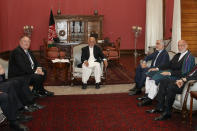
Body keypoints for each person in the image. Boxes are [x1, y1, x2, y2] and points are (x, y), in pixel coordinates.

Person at [137, 40, 195, 106]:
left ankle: (149, 99)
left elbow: (184, 72)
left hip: (176, 76)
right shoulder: (177, 55)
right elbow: (168, 64)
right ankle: (147, 95)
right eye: (179, 45)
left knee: (155, 79)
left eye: (182, 45)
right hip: (169, 71)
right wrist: (156, 68)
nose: (180, 47)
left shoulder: (189, 57)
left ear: (186, 46)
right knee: (150, 74)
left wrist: (169, 73)